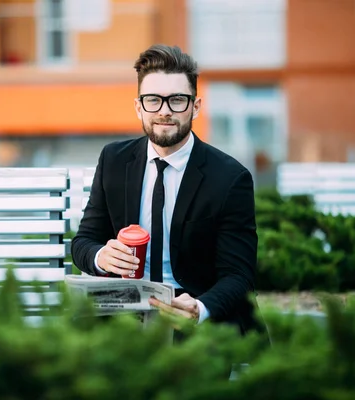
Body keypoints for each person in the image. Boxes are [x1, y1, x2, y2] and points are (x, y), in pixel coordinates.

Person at [71, 44, 266, 338]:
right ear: (139, 106)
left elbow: (238, 276)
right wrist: (101, 256)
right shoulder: (113, 160)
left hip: (194, 316)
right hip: (123, 314)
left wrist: (201, 308)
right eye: (153, 100)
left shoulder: (230, 178)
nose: (164, 111)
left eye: (176, 100)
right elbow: (84, 241)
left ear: (195, 106)